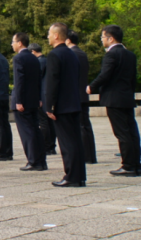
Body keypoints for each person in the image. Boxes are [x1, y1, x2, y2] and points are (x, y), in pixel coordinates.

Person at [88, 25, 141, 177]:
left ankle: (128, 166)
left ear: (111, 38)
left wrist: (91, 87)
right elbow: (133, 78)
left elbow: (105, 74)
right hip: (126, 97)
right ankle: (136, 165)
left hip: (114, 99)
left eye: (103, 37)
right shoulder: (130, 55)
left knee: (122, 133)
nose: (102, 40)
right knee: (132, 132)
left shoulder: (111, 55)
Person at [45, 22, 86, 187]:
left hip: (62, 105)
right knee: (75, 141)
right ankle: (79, 175)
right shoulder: (72, 54)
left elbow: (53, 82)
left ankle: (71, 176)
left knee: (67, 143)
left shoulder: (55, 55)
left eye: (49, 33)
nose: (47, 36)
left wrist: (50, 105)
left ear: (56, 35)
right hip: (74, 102)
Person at [11, 32, 47, 171]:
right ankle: (41, 160)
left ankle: (33, 161)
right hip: (33, 100)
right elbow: (38, 80)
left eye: (13, 42)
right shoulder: (34, 58)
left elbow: (19, 81)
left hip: (23, 101)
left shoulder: (19, 58)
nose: (12, 44)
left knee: (27, 132)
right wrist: (38, 98)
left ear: (20, 43)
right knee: (35, 130)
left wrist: (18, 101)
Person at [66, 31, 97, 165]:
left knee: (82, 126)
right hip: (81, 93)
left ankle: (87, 155)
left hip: (76, 94)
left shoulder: (73, 54)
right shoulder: (81, 53)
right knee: (85, 125)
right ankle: (89, 155)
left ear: (67, 40)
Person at [29, 43, 58, 155]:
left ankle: (46, 146)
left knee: (43, 121)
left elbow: (36, 79)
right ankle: (51, 145)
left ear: (33, 52)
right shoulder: (47, 60)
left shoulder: (39, 62)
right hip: (48, 94)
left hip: (41, 95)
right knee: (50, 122)